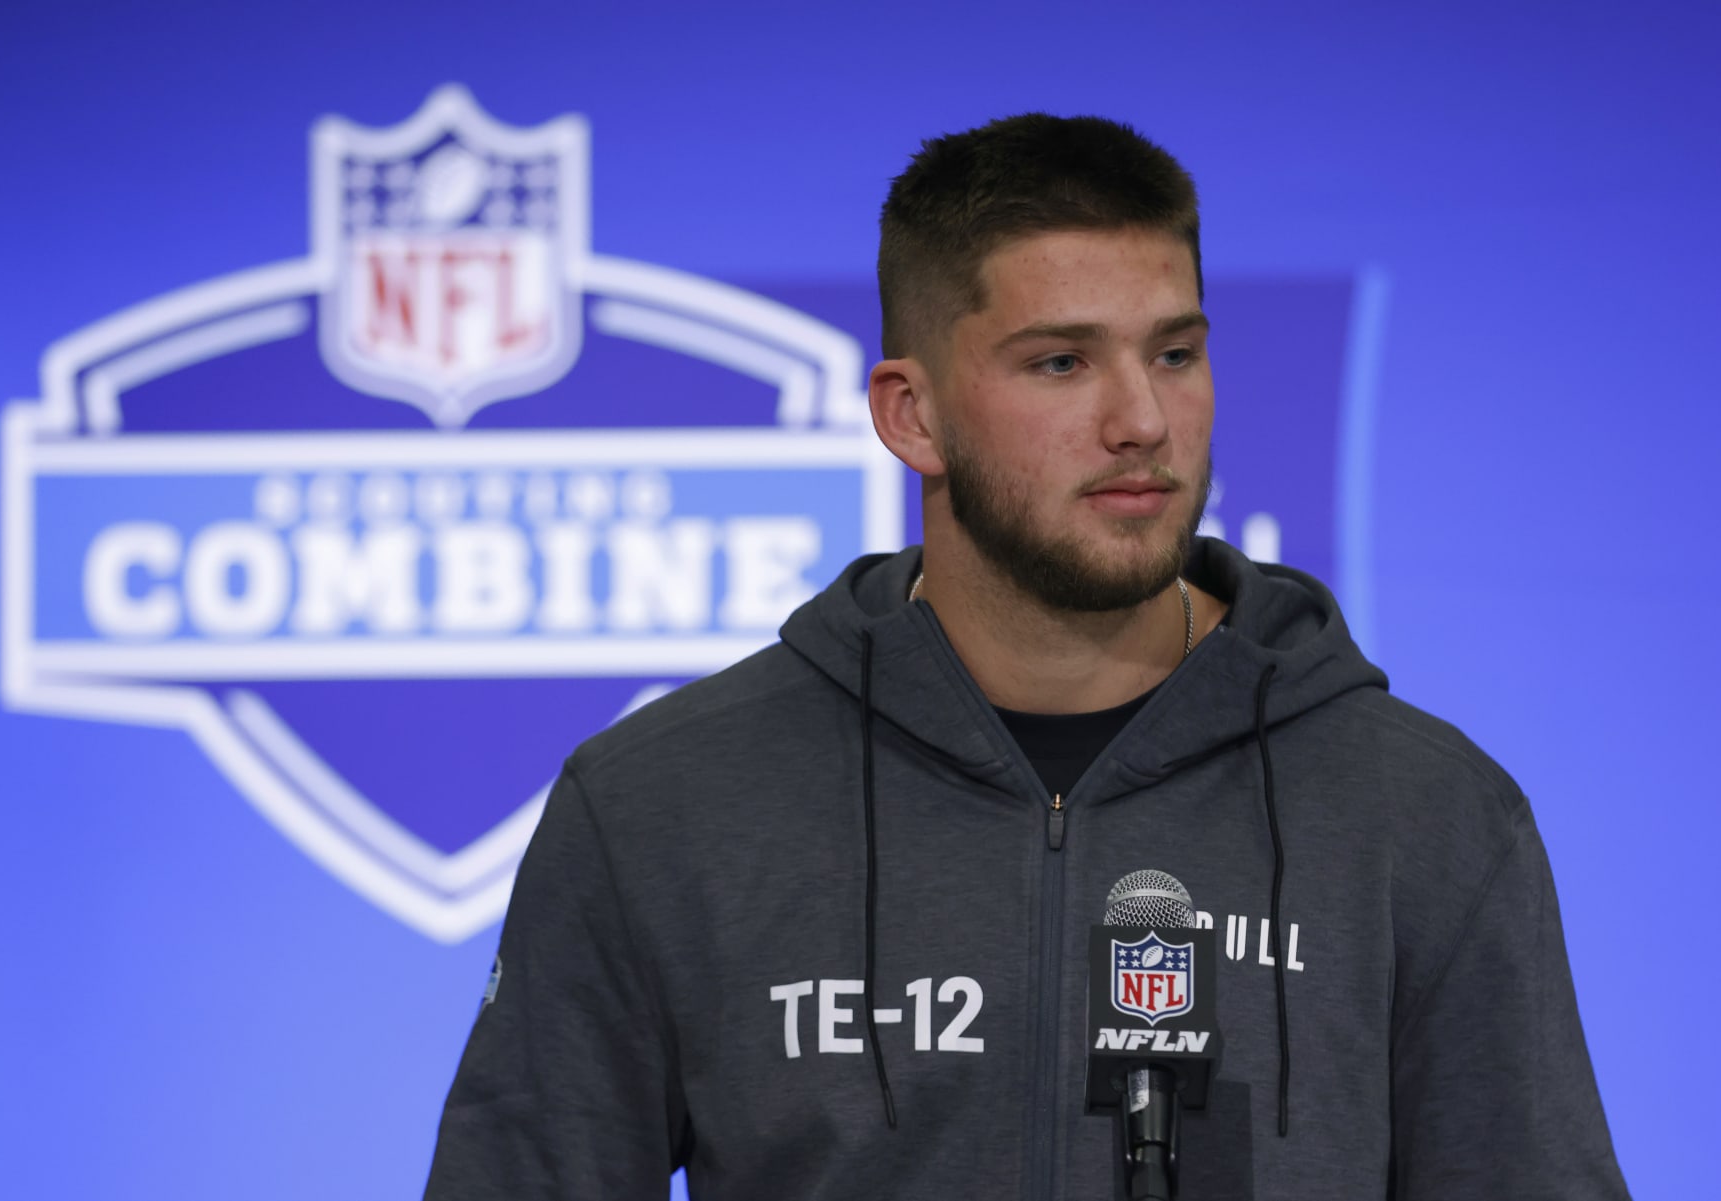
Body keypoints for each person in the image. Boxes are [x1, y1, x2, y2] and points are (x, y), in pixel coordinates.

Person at [423, 114, 1630, 1200]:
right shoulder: (659, 807)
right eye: (1062, 362)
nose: (1142, 421)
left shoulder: (1425, 814)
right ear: (913, 414)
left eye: (1173, 353)